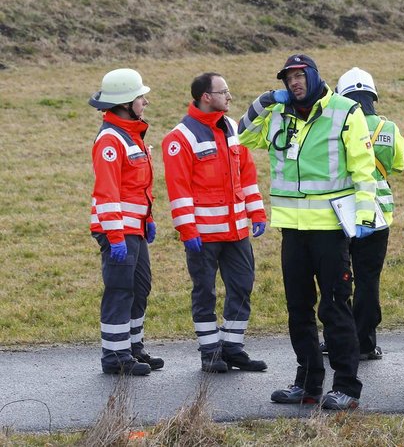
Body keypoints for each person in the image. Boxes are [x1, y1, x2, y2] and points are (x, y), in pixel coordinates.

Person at [237, 54, 375, 411]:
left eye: (300, 76)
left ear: (313, 76)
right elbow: (242, 136)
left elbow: (363, 169)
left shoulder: (345, 111)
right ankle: (309, 383)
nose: (294, 83)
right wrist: (263, 102)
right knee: (298, 309)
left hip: (330, 230)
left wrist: (364, 216)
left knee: (334, 309)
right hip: (293, 230)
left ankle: (346, 386)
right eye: (289, 78)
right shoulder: (278, 114)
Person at [162, 73, 268, 374]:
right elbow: (178, 189)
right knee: (204, 292)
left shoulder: (234, 128)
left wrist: (256, 212)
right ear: (206, 97)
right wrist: (187, 229)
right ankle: (210, 352)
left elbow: (247, 174)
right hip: (203, 235)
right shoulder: (179, 138)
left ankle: (233, 348)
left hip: (236, 232)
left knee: (242, 286)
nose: (229, 97)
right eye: (224, 92)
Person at [88, 68, 163, 376]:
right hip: (117, 230)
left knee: (139, 286)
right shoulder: (110, 140)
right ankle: (114, 357)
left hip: (135, 227)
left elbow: (138, 187)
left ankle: (132, 346)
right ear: (125, 103)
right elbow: (107, 193)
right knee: (120, 289)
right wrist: (115, 236)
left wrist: (149, 219)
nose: (144, 102)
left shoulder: (131, 135)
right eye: (140, 97)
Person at [335, 67, 404, 361]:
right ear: (373, 96)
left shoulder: (338, 125)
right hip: (378, 217)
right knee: (368, 279)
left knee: (337, 279)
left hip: (341, 213)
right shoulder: (388, 129)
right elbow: (399, 164)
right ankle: (365, 342)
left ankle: (337, 339)